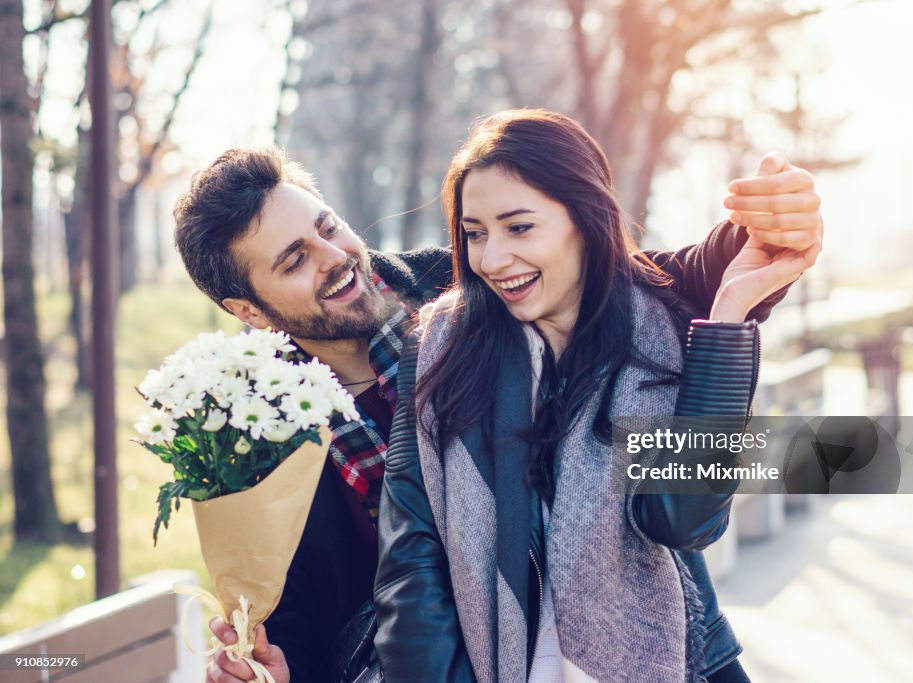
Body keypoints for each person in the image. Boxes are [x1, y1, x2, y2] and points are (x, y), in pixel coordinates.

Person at [176, 133, 820, 682]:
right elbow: (300, 620)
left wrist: (764, 225)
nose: (335, 257)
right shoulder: (251, 437)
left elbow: (651, 280)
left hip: (646, 643)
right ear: (249, 313)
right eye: (294, 260)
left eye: (326, 226)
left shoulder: (469, 283)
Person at [373, 109, 821, 682]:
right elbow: (413, 555)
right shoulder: (440, 350)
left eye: (519, 227)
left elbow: (682, 522)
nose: (491, 259)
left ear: (585, 219)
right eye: (475, 233)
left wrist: (731, 314)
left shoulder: (657, 320)